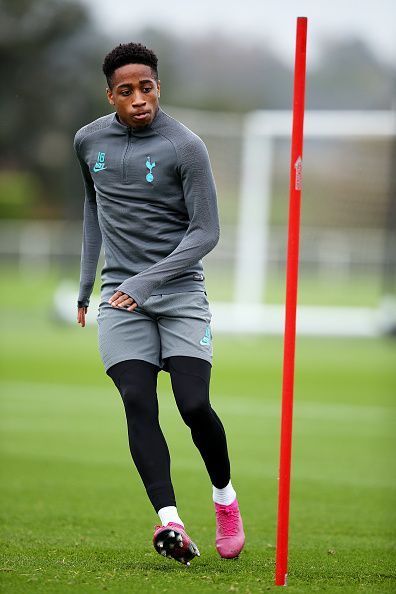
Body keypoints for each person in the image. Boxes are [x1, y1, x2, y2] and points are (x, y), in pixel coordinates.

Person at [75, 42, 244, 565]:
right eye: (126, 91)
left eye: (146, 88)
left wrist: (146, 283)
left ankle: (225, 501)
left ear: (158, 88)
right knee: (137, 401)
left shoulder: (186, 146)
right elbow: (93, 208)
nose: (138, 99)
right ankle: (170, 523)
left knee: (194, 406)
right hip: (119, 299)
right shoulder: (87, 141)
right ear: (111, 95)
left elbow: (206, 233)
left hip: (178, 294)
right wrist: (86, 286)